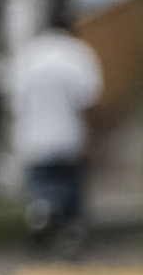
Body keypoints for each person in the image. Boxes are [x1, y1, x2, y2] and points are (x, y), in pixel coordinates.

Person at [7, 15, 108, 252]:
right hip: (70, 136)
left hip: (34, 136)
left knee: (41, 185)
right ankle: (72, 233)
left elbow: (15, 104)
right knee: (71, 186)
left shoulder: (27, 56)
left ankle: (41, 213)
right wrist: (92, 138)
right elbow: (88, 102)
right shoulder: (78, 54)